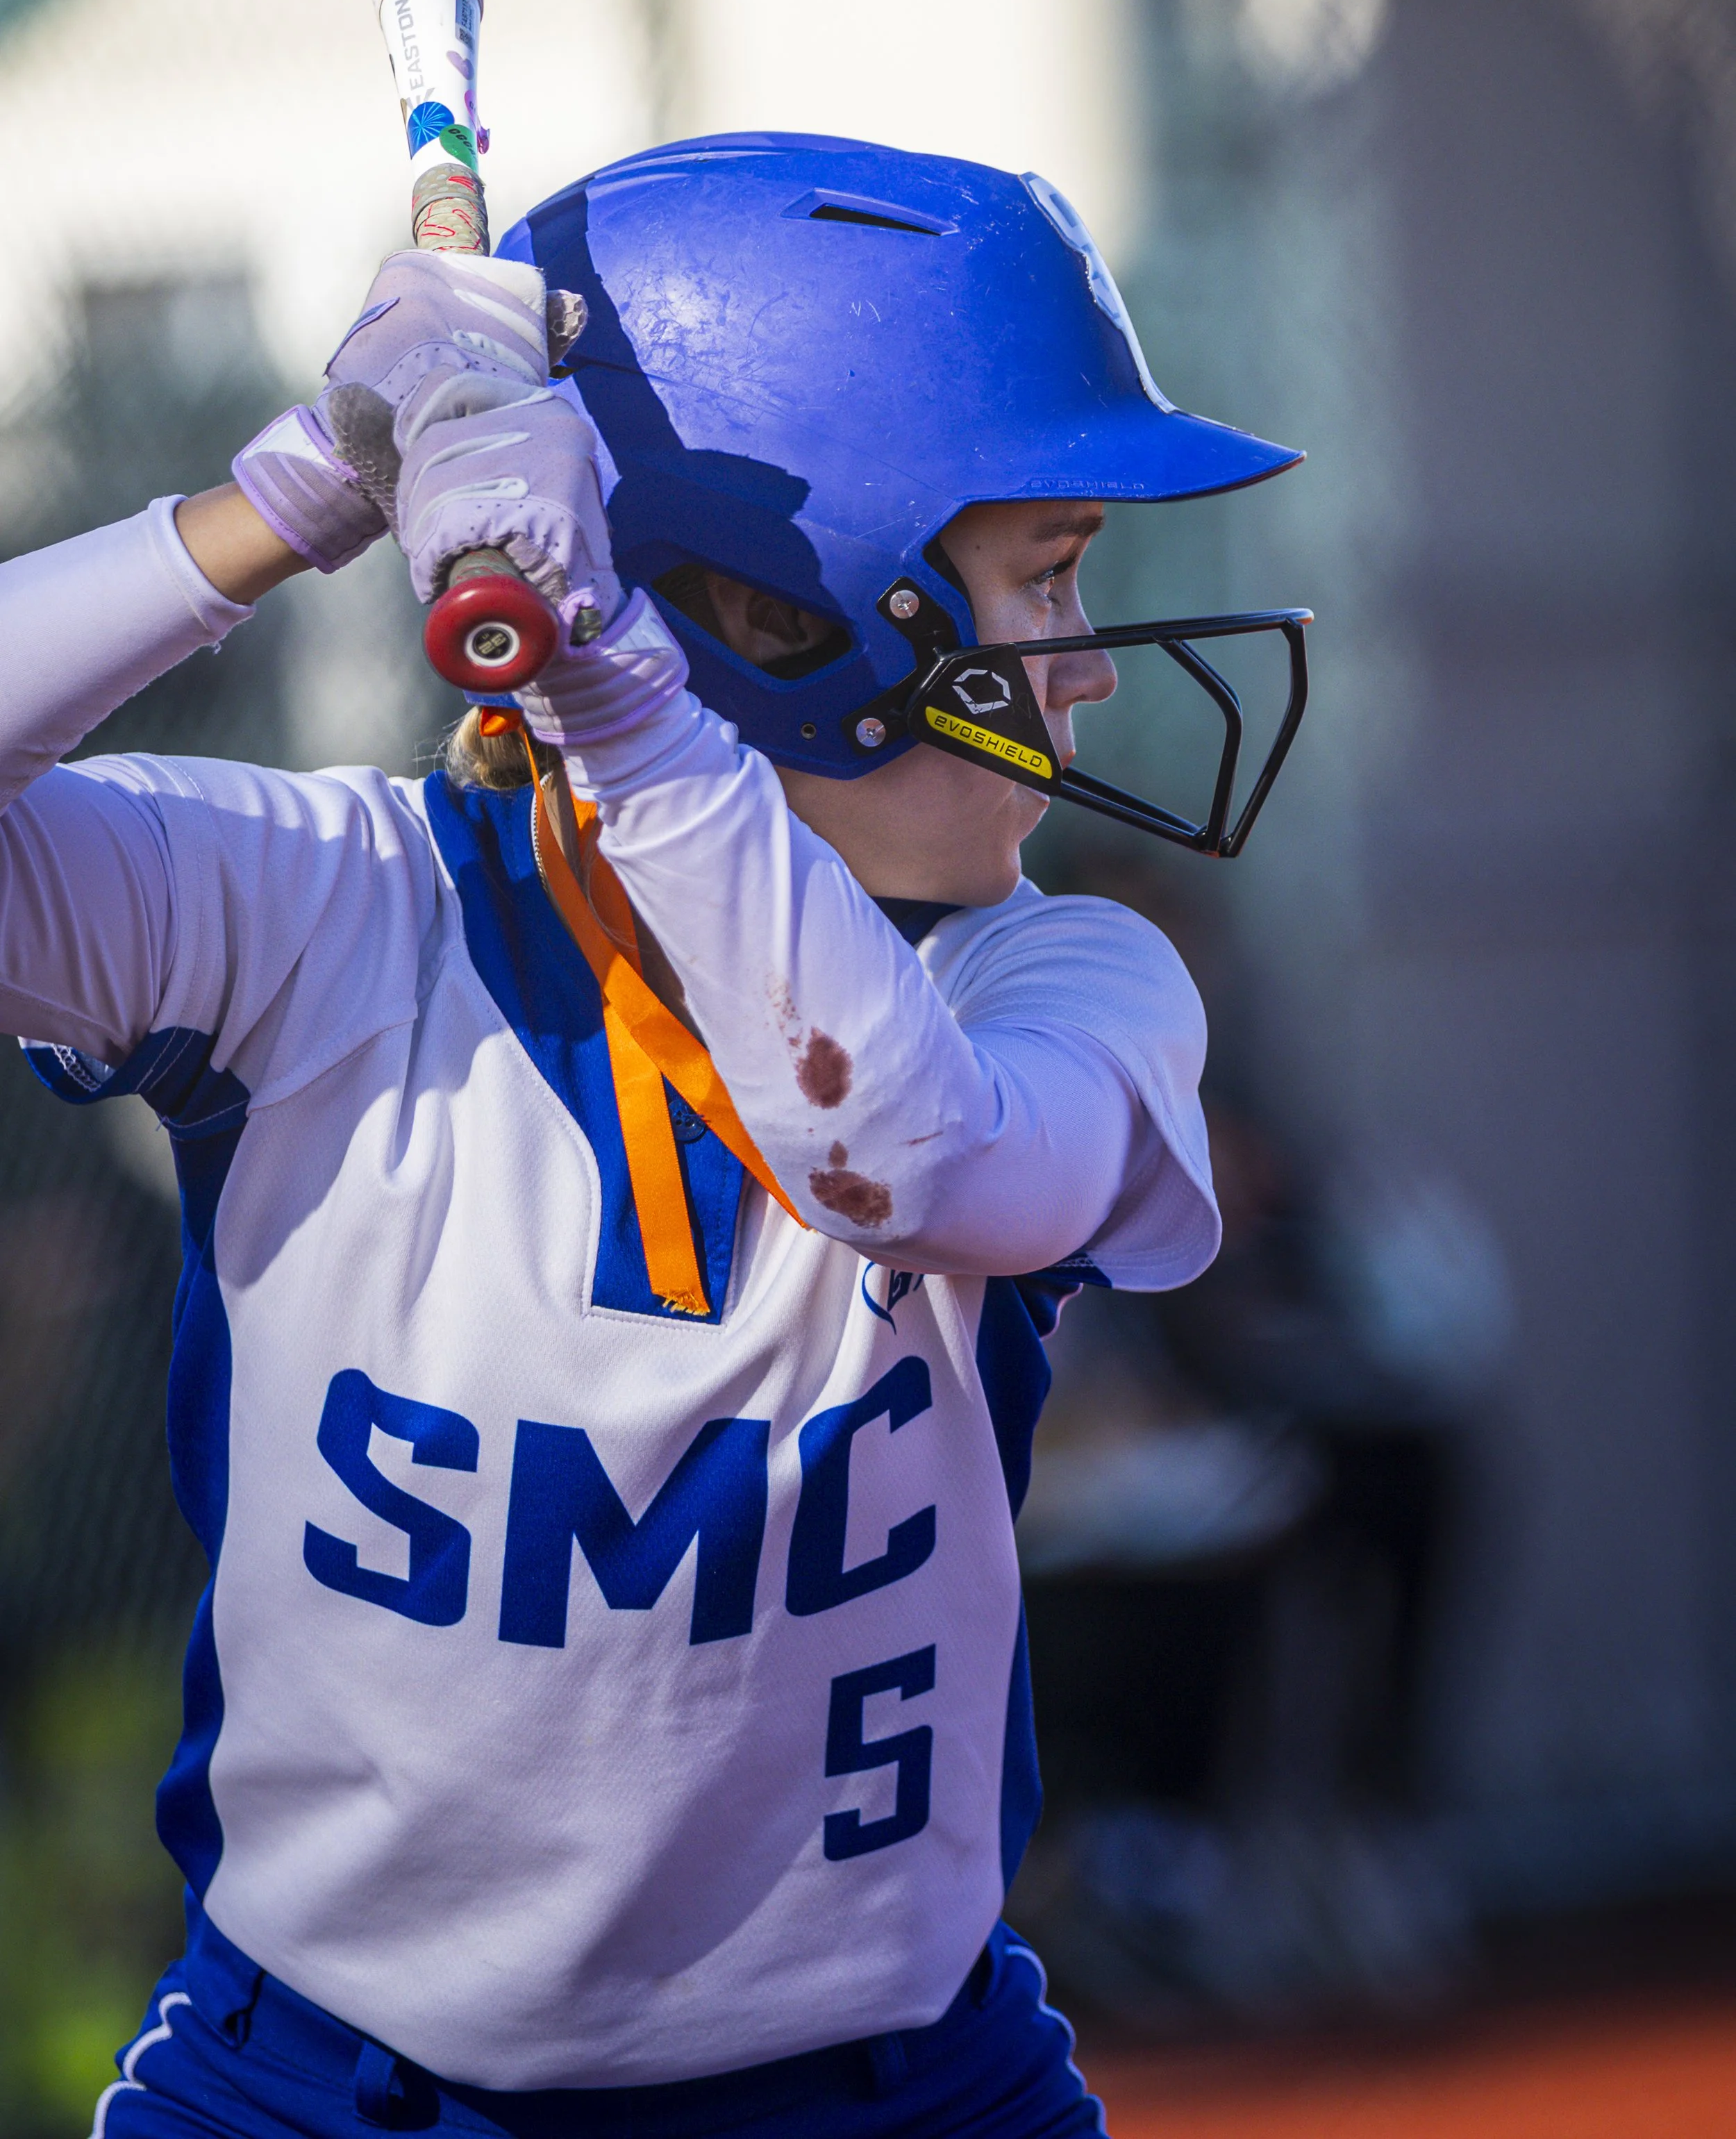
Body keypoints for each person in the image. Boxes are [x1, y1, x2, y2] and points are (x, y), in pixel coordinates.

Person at [1, 135, 1299, 2138]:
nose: (1094, 665)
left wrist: (618, 693)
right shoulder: (331, 910)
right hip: (323, 2091)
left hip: (892, 2089)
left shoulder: (1063, 974)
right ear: (786, 619)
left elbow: (908, 1159)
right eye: (1044, 577)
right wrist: (291, 496)